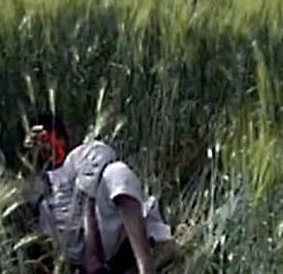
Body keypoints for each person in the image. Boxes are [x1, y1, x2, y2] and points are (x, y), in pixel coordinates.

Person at [24, 114, 172, 274]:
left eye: (47, 139)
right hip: (72, 249)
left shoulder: (80, 156)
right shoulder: (35, 183)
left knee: (117, 172)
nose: (45, 147)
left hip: (112, 235)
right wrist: (30, 161)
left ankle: (145, 266)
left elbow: (104, 155)